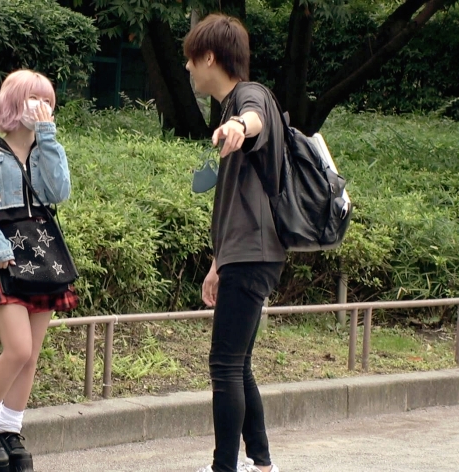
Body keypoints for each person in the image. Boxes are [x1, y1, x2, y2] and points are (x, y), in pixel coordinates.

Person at [0, 69, 78, 472]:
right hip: (4, 256)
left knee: (31, 357)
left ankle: (10, 430)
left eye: (47, 101)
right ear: (13, 102)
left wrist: (48, 137)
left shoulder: (48, 148)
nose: (41, 107)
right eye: (33, 98)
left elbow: (59, 192)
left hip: (43, 254)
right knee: (18, 348)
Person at [183, 13, 286, 472]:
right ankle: (261, 465)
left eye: (191, 58)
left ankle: (224, 467)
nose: (187, 67)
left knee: (224, 364)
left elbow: (255, 118)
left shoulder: (248, 96)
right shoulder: (230, 106)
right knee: (238, 364)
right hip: (243, 254)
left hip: (252, 252)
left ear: (209, 57)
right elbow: (235, 202)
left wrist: (240, 127)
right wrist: (216, 264)